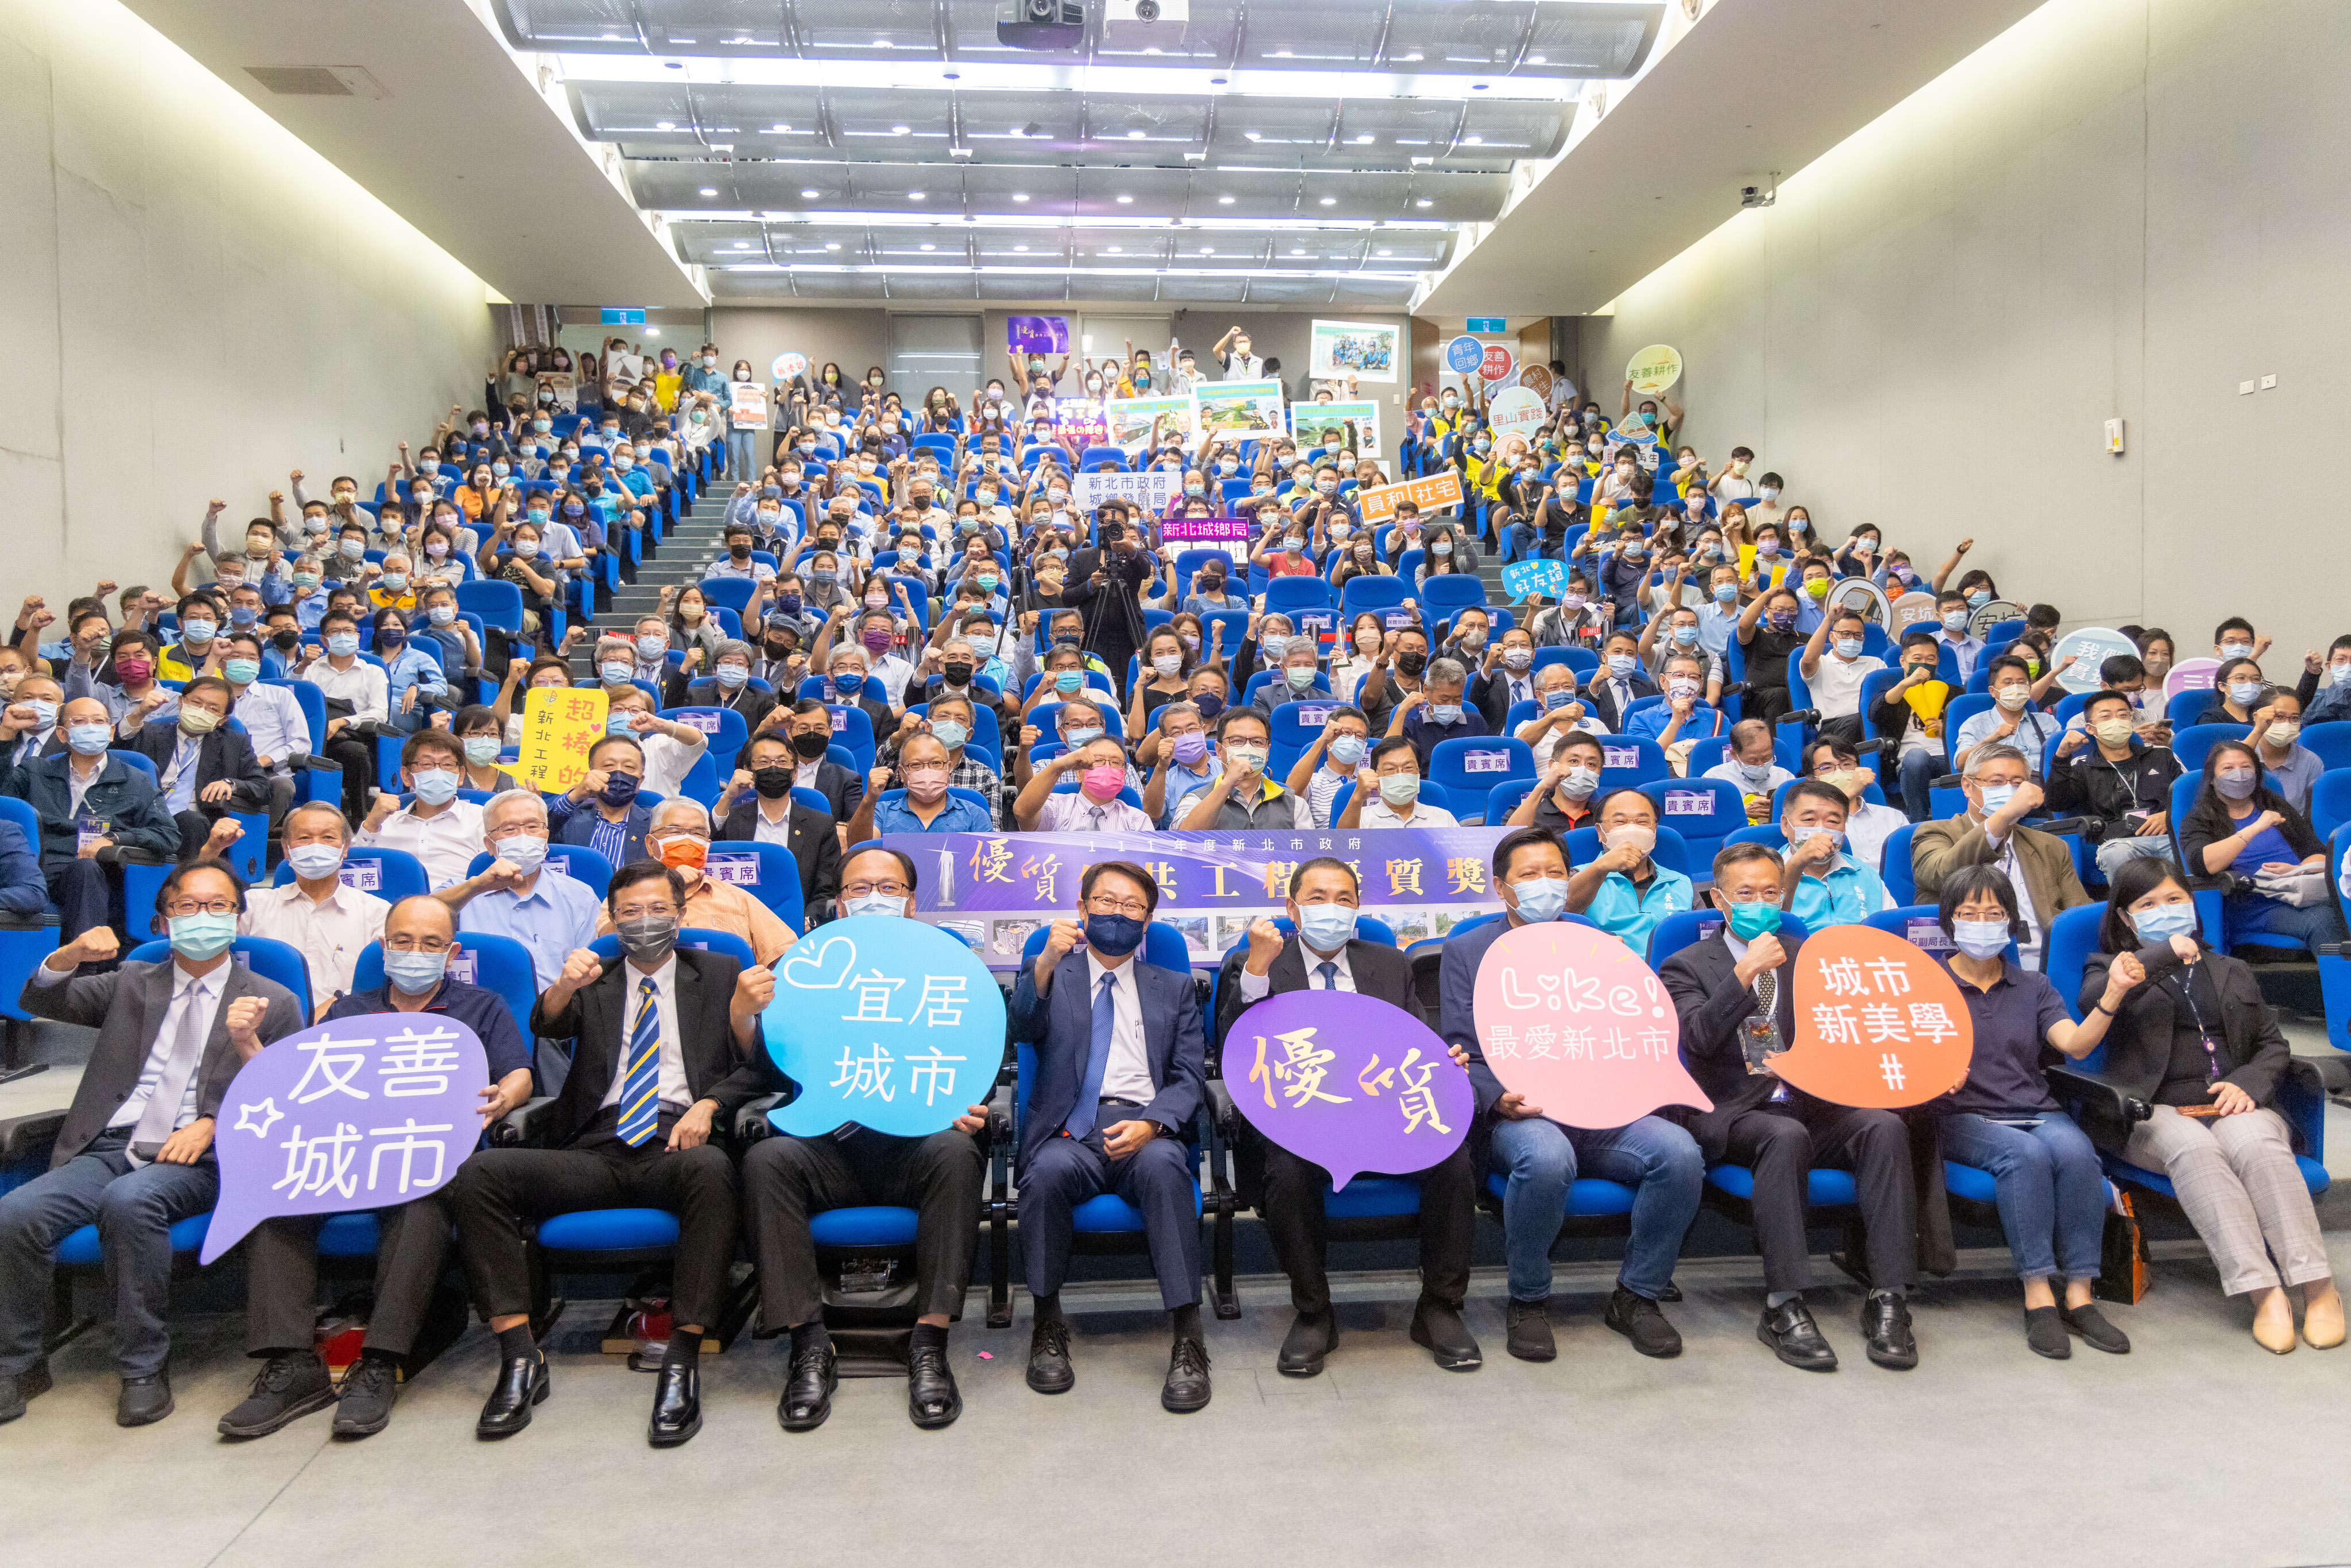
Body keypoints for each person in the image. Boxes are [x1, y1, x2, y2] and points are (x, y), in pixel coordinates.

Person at [450, 861, 780, 1447]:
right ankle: (520, 1356)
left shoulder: (720, 971)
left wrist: (709, 1103)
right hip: (596, 1146)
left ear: (680, 914)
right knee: (480, 1174)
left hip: (679, 1139)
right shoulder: (595, 975)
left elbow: (759, 1069)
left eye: (657, 909)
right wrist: (563, 985)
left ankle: (681, 1357)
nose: (644, 920)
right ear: (613, 918)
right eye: (631, 911)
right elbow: (548, 1026)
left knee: (712, 1169)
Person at [217, 895, 534, 1438]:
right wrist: (248, 1044)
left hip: (429, 1158)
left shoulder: (481, 1007)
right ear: (383, 946)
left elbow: (519, 1073)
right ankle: (292, 1366)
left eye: (431, 944)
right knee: (276, 1199)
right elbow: (293, 1092)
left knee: (422, 1204)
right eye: (403, 941)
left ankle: (380, 1364)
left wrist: (504, 1097)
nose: (416, 952)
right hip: (346, 1152)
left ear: (451, 952)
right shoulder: (348, 1013)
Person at [0, 861, 303, 1426]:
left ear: (238, 918)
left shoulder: (272, 1000)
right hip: (111, 1146)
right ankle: (18, 1364)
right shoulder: (131, 983)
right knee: (15, 1214)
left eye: (217, 905)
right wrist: (69, 954)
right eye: (187, 905)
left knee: (130, 1201)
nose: (203, 916)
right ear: (163, 920)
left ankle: (142, 1366)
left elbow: (287, 1100)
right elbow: (41, 1001)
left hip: (202, 1157)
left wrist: (215, 1122)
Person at [1659, 843, 1927, 1372]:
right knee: (1785, 1137)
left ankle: (1890, 1296)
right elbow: (1698, 1039)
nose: (1760, 902)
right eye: (1745, 893)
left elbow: (1853, 1033)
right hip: (1738, 1110)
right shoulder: (1685, 964)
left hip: (1811, 1103)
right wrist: (1744, 974)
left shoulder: (1810, 958)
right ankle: (1784, 1304)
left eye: (1770, 892)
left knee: (1882, 1126)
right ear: (1719, 899)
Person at [748, 847, 988, 1433]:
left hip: (915, 1147)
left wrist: (969, 1103)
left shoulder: (946, 968)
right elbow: (767, 1067)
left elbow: (977, 1054)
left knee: (958, 1151)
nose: (873, 897)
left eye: (888, 887)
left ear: (911, 901)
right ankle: (809, 1345)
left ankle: (929, 1342)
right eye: (859, 888)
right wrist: (745, 1013)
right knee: (767, 1158)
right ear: (839, 903)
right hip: (828, 1148)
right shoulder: (808, 969)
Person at [1444, 828, 1701, 1360]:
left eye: (1555, 873)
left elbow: (1634, 1032)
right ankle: (1529, 1299)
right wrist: (1498, 1098)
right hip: (1522, 1113)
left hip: (1602, 1109)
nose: (1545, 884)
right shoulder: (1467, 949)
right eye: (1529, 875)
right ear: (1501, 887)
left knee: (1679, 1153)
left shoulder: (1596, 943)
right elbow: (1460, 1046)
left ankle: (1638, 1295)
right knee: (1545, 1157)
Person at [1212, 860, 1479, 1375]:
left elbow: (1415, 1042)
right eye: (1317, 898)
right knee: (1287, 1171)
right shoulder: (1255, 963)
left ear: (1357, 909)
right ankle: (1314, 1312)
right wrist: (1258, 971)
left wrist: (1444, 1062)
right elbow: (1233, 1050)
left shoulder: (1390, 963)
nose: (1331, 909)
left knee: (1453, 1160)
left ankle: (1439, 1307)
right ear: (1292, 909)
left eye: (1344, 899)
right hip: (1301, 1121)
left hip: (1385, 1112)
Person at [2085, 857, 2342, 1353]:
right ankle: (2264, 1293)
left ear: (2193, 903)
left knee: (2259, 1145)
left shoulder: (2231, 969)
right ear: (2126, 919)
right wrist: (2163, 953)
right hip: (2155, 1112)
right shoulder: (2111, 968)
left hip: (2233, 1104)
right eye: (2148, 904)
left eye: (2175, 899)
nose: (2165, 909)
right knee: (2195, 1150)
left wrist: (2249, 1082)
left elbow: (2272, 1044)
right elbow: (2093, 1001)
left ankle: (2317, 1287)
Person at [1009, 861, 1211, 1413]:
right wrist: (1044, 964)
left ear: (1147, 920)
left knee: (1166, 1168)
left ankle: (1188, 1337)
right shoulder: (1051, 971)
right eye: (1105, 901)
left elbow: (1189, 1077)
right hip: (1070, 1132)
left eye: (1131, 906)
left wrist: (1152, 1124)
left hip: (1144, 1127)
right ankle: (1047, 1326)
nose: (1117, 913)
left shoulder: (1173, 987)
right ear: (1082, 908)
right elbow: (1022, 1028)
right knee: (1046, 1174)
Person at [1930, 866, 2131, 1358]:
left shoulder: (2034, 986)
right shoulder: (1928, 983)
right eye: (1969, 913)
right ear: (1950, 921)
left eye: (1994, 913)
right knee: (2024, 1156)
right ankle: (2038, 1293)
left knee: (2078, 1154)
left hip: (2034, 1108)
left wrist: (2113, 995)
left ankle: (2080, 1294)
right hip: (1960, 1113)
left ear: (2011, 921)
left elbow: (2075, 1045)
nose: (1982, 923)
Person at [2, 695, 181, 942]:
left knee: (84, 869)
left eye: (99, 721)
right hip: (36, 868)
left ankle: (88, 961)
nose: (90, 727)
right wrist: (6, 734)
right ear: (62, 734)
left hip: (99, 872)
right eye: (79, 721)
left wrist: (115, 838)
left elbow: (168, 835)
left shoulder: (136, 780)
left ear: (111, 732)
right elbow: (3, 798)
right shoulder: (35, 771)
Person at [1911, 744, 2090, 971]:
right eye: (1997, 782)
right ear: (1967, 786)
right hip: (1969, 966)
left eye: (2017, 784)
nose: (2009, 791)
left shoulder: (2051, 846)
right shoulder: (1934, 833)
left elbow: (2080, 917)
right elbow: (1941, 874)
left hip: (2048, 965)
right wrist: (2003, 815)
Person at [2178, 739, 2346, 958]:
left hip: (2300, 891)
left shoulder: (2271, 802)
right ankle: (2340, 981)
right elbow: (2202, 864)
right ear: (2212, 778)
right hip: (2253, 906)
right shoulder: (2200, 818)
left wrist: (2297, 870)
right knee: (2322, 919)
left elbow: (2318, 852)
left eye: (2246, 767)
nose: (2239, 774)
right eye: (2228, 768)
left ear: (2257, 774)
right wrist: (2256, 827)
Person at [238, 801, 390, 1017]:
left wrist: (337, 1006)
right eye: (304, 838)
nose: (316, 846)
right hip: (261, 1023)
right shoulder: (251, 905)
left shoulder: (377, 912)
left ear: (345, 848)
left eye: (328, 837)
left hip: (343, 1022)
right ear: (286, 848)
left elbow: (379, 983)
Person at [601, 799, 794, 964]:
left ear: (708, 846)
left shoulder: (737, 898)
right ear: (651, 844)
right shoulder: (626, 895)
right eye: (674, 831)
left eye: (698, 833)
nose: (687, 840)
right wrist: (668, 885)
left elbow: (786, 959)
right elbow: (606, 947)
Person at [125, 676, 270, 860]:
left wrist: (230, 784)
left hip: (195, 823)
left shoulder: (234, 743)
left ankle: (189, 876)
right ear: (180, 702)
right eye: (196, 703)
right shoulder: (150, 733)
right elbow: (115, 752)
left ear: (222, 720)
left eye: (213, 708)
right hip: (147, 817)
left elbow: (263, 788)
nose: (202, 711)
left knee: (191, 820)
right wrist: (138, 714)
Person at [2043, 688, 2180, 880]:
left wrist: (2169, 815)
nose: (2116, 721)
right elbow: (2056, 804)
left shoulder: (2161, 755)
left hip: (2168, 836)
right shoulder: (2084, 767)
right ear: (2090, 728)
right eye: (2106, 717)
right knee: (2116, 854)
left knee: (2194, 847)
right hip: (2121, 841)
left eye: (2123, 715)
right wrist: (2061, 757)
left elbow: (2193, 795)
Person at [713, 735, 844, 915]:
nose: (773, 768)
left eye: (782, 762)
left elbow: (827, 889)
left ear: (795, 772)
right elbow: (705, 855)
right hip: (736, 918)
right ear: (748, 771)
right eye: (763, 762)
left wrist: (808, 921)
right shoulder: (731, 820)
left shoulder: (820, 825)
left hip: (796, 922)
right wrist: (728, 797)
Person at [352, 729, 487, 891]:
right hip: (395, 903)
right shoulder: (384, 823)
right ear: (406, 776)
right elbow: (354, 875)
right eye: (427, 764)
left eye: (447, 765)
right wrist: (371, 825)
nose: (438, 772)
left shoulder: (482, 819)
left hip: (460, 902)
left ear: (461, 775)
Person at [1565, 789, 1693, 955]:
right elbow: (1565, 909)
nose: (1632, 829)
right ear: (1600, 832)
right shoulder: (1579, 875)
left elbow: (1702, 934)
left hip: (1672, 969)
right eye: (1620, 821)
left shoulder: (1681, 883)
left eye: (1642, 822)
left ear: (1655, 831)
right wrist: (1600, 867)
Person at [1175, 707, 1312, 829]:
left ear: (1267, 752)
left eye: (1257, 742)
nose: (1248, 748)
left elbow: (1307, 848)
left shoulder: (1294, 804)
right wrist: (1228, 783)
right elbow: (1184, 840)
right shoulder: (1195, 799)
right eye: (1237, 741)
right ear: (1219, 750)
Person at [1871, 629, 1956, 821]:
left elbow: (1966, 730)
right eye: (1917, 658)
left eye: (1931, 659)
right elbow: (1875, 714)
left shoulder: (1954, 694)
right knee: (1917, 756)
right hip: (1911, 761)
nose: (1924, 664)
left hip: (1948, 758)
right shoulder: (1894, 693)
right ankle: (1919, 822)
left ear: (1938, 661)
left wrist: (1946, 730)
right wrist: (1905, 684)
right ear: (1903, 661)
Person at [1801, 738, 1908, 874]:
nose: (1839, 771)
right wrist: (1850, 792)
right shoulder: (1810, 822)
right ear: (1811, 779)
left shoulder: (1893, 816)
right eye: (1827, 768)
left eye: (1846, 764)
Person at [550, 733, 657, 868]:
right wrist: (576, 795)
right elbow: (542, 833)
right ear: (590, 774)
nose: (619, 773)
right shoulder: (568, 818)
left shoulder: (655, 824)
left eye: (629, 767)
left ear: (640, 781)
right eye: (608, 765)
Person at [1953, 655, 2061, 778]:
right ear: (1993, 691)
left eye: (2021, 683)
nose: (2015, 688)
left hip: (2046, 783)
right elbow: (1961, 764)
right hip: (2002, 783)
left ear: (2029, 688)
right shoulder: (1975, 724)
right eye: (2008, 683)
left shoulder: (2048, 721)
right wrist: (1990, 740)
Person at [1342, 736, 1460, 829]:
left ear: (1418, 772)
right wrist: (1357, 798)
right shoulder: (1360, 819)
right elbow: (1343, 845)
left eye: (1408, 768)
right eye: (1390, 769)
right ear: (1376, 775)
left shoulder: (1444, 819)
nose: (1400, 775)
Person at [1508, 729, 1608, 835]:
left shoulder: (1607, 815)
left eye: (1591, 764)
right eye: (1574, 761)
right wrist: (1541, 787)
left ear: (1600, 771)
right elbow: (1509, 840)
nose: (1583, 769)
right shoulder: (1526, 813)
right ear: (1553, 765)